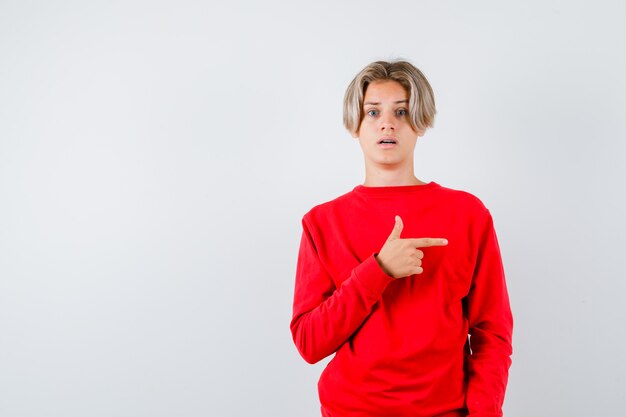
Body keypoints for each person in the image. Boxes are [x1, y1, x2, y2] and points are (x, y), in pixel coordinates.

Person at [290, 60, 513, 417]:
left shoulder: (468, 214)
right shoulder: (321, 222)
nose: (387, 122)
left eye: (402, 111)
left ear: (420, 123)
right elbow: (310, 343)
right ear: (355, 126)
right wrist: (377, 271)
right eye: (373, 111)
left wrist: (484, 412)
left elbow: (491, 332)